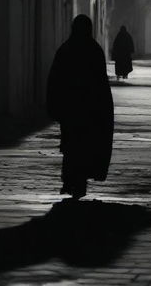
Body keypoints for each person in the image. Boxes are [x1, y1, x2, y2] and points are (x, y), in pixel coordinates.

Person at [46, 14, 114, 198]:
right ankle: (78, 181)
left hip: (71, 109)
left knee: (70, 145)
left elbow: (55, 79)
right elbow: (101, 83)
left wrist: (54, 105)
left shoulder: (66, 50)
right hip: (89, 109)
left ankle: (70, 180)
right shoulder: (94, 50)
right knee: (85, 145)